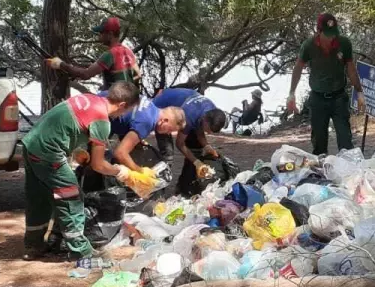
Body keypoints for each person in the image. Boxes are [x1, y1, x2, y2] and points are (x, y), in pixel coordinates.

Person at [19, 82, 141, 260]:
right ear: (122, 105)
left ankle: (34, 245)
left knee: (39, 196)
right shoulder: (102, 120)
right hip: (49, 152)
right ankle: (81, 251)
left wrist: (76, 150)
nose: (122, 115)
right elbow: (98, 165)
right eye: (125, 111)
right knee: (71, 197)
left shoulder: (89, 99)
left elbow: (67, 124)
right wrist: (120, 171)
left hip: (31, 143)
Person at [286, 13, 365, 155]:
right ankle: (321, 173)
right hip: (318, 99)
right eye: (327, 34)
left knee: (345, 140)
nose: (331, 38)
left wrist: (359, 92)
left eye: (333, 34)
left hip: (339, 97)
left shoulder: (344, 43)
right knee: (319, 143)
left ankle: (349, 172)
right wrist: (291, 94)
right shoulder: (308, 45)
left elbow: (351, 69)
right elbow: (298, 68)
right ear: (319, 31)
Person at [80, 95, 187, 192]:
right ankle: (86, 196)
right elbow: (120, 153)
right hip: (92, 117)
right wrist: (140, 171)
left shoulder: (151, 107)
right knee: (93, 163)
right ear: (165, 120)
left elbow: (129, 119)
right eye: (170, 129)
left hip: (92, 105)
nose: (168, 133)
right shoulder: (147, 122)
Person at [150, 87, 229, 194]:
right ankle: (158, 191)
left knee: (196, 147)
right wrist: (196, 162)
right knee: (168, 155)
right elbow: (180, 143)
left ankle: (184, 186)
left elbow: (199, 131)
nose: (208, 133)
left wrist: (206, 146)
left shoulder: (212, 110)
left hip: (182, 108)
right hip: (160, 109)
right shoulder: (190, 116)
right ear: (205, 120)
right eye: (208, 130)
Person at [46, 16, 141, 89]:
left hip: (116, 104)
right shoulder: (129, 52)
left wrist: (60, 64)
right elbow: (137, 76)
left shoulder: (110, 54)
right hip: (130, 101)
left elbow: (86, 74)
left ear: (110, 34)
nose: (99, 36)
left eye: (101, 33)